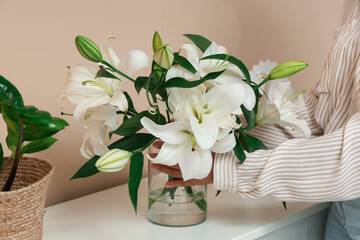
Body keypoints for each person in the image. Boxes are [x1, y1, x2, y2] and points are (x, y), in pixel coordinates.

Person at [150, 0, 360, 239]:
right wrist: (230, 133)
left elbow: (355, 159)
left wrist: (228, 168)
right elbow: (325, 113)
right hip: (340, 209)